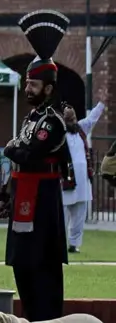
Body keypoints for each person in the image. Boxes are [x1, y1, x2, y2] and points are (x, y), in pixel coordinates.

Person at [0, 11, 72, 322]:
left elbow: (26, 153)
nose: (28, 88)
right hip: (22, 200)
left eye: (34, 84)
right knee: (23, 268)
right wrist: (5, 194)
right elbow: (18, 155)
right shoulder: (31, 118)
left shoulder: (52, 123)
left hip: (43, 203)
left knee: (43, 271)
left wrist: (12, 149)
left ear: (49, 88)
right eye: (27, 83)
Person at [63, 99, 101, 253]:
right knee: (63, 215)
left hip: (83, 182)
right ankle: (59, 244)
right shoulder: (59, 134)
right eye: (69, 119)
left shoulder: (81, 130)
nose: (72, 121)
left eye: (73, 118)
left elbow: (93, 117)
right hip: (65, 180)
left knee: (79, 216)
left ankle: (74, 244)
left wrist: (102, 104)